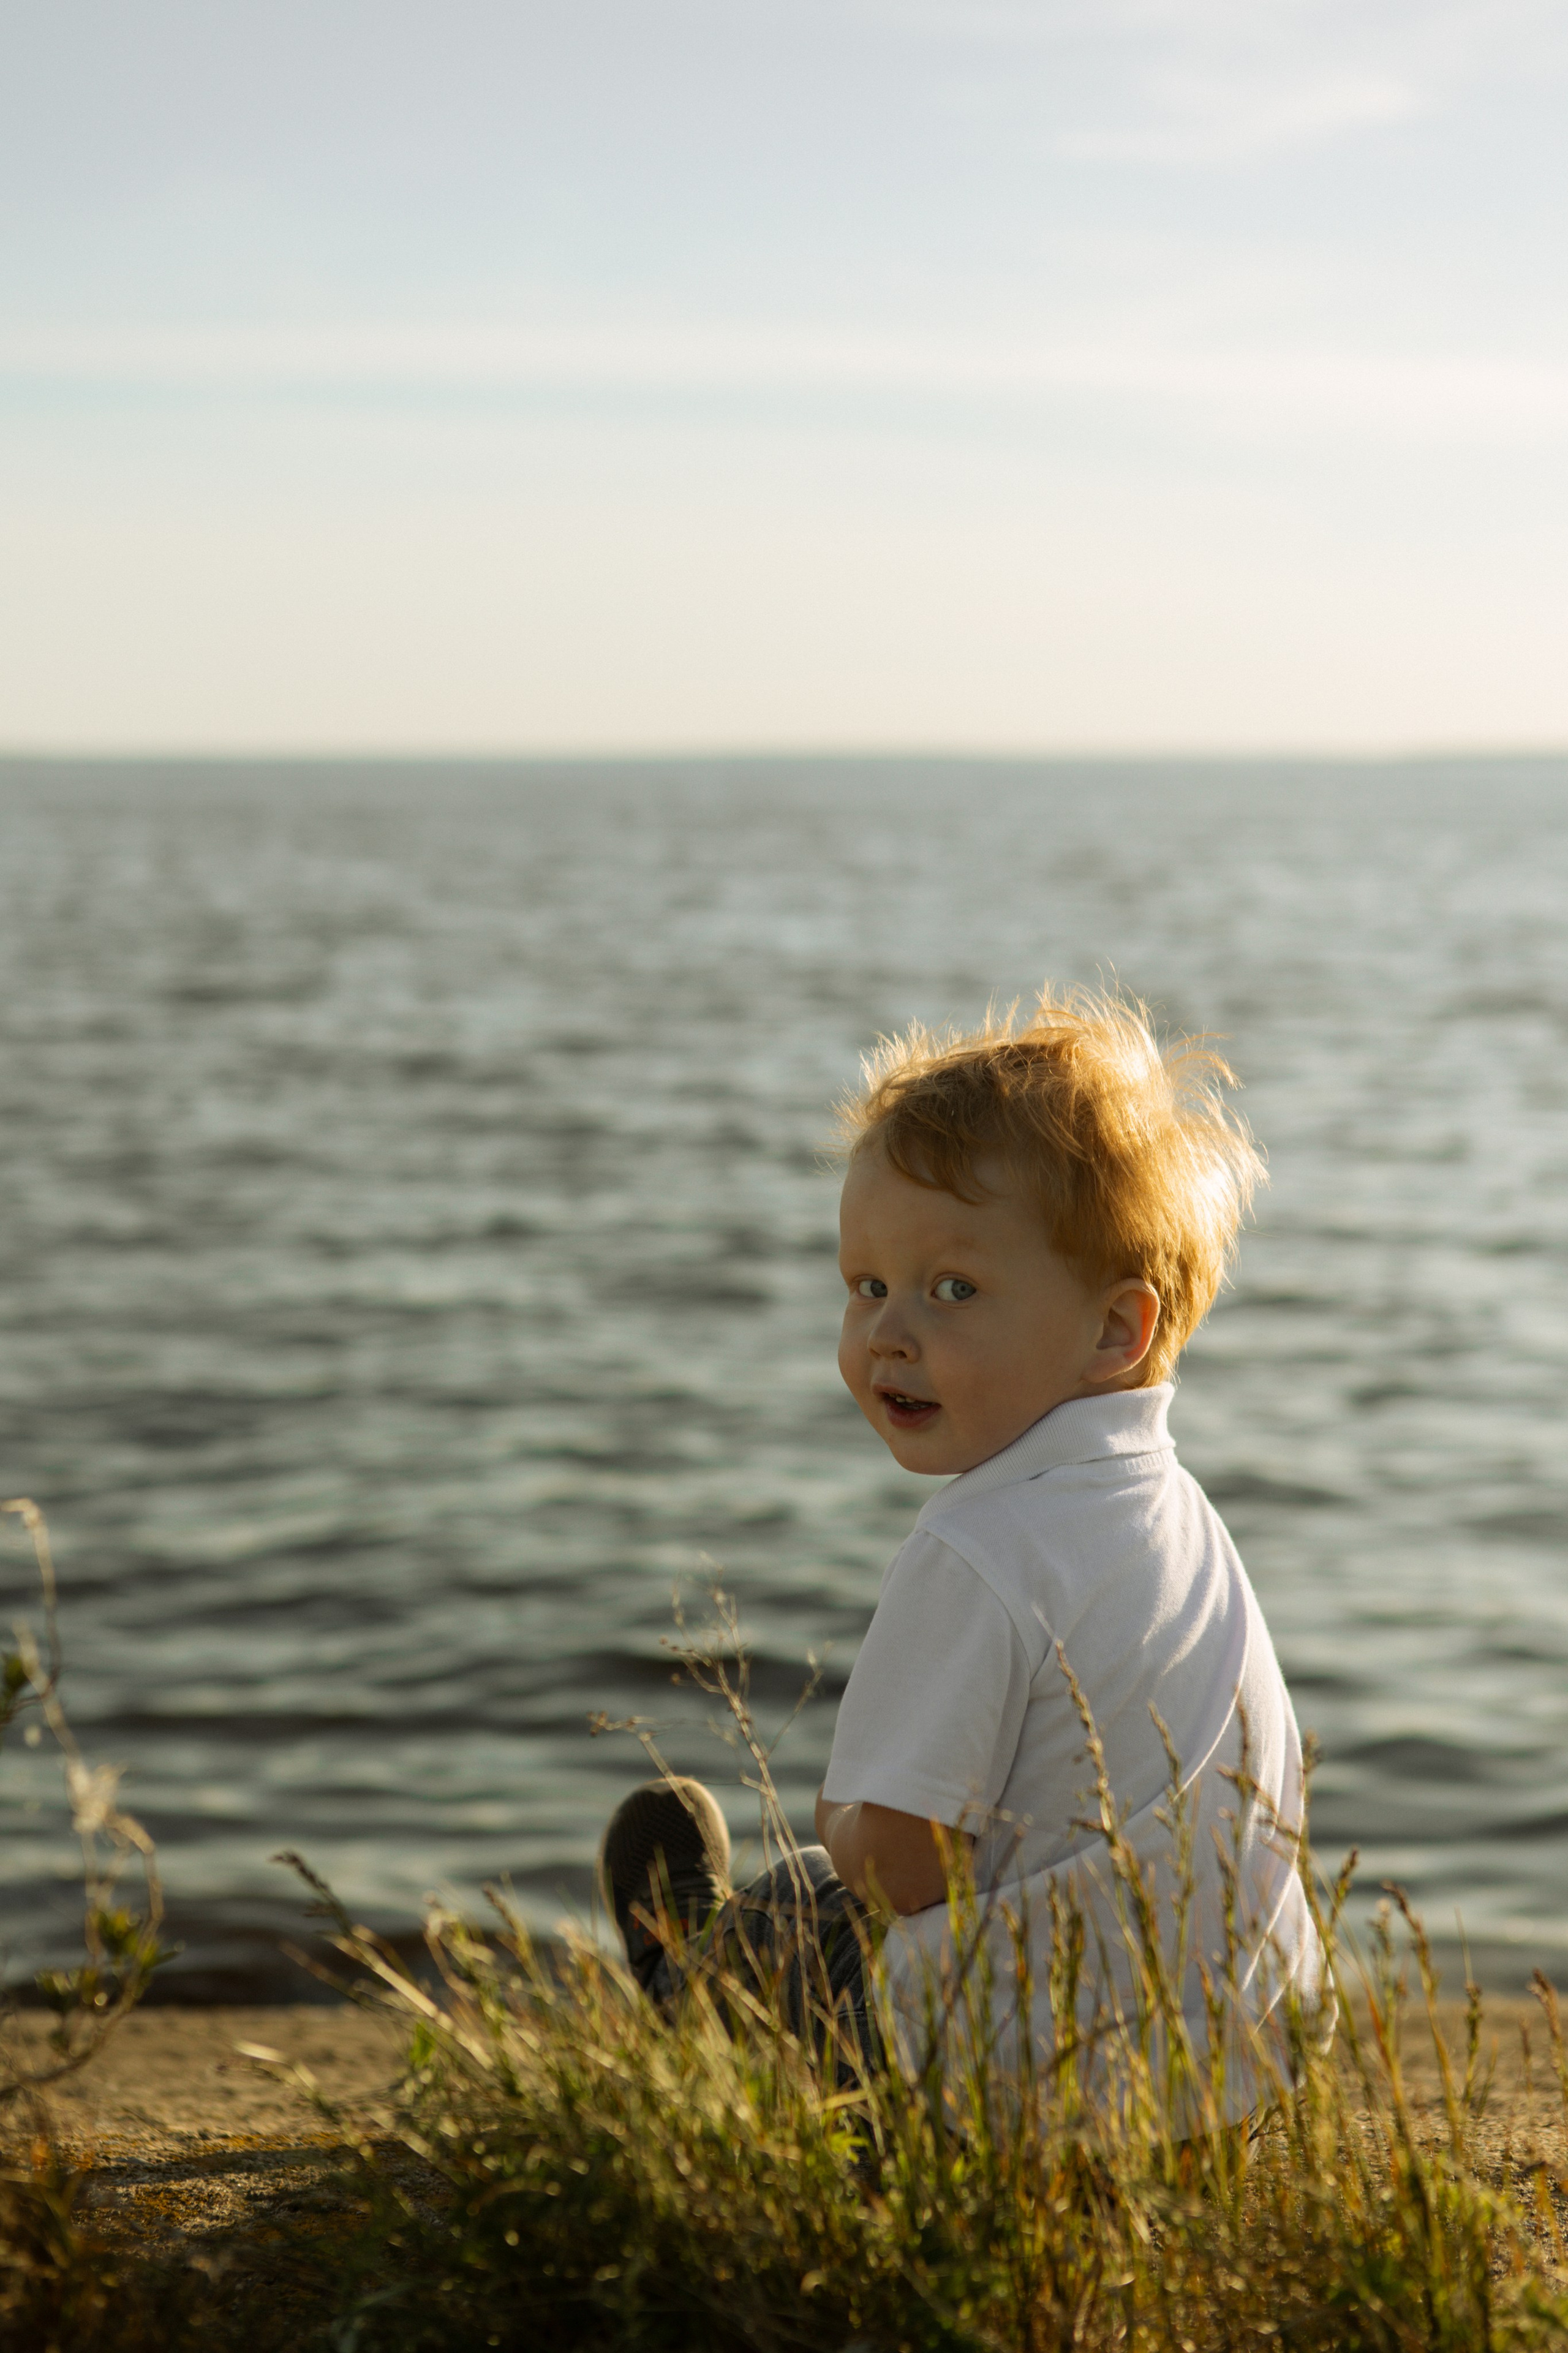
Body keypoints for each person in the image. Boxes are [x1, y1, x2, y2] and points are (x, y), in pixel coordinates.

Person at [600, 988, 1324, 2118]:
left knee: (811, 1905)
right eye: (867, 1286)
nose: (891, 1328)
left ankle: (685, 1983)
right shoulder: (1176, 1517)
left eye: (952, 1289)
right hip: (1238, 2069)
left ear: (1111, 1331)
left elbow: (897, 1868)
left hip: (1026, 2084)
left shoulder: (981, 1547)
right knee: (836, 1911)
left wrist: (843, 1814)